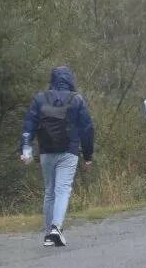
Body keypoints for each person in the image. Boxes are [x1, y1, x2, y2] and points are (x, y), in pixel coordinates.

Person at [20, 66, 95, 247]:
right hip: (69, 151)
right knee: (62, 190)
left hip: (46, 151)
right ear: (70, 80)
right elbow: (87, 128)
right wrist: (88, 155)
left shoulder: (40, 98)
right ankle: (56, 227)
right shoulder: (77, 100)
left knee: (49, 191)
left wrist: (25, 148)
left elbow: (29, 124)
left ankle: (48, 234)